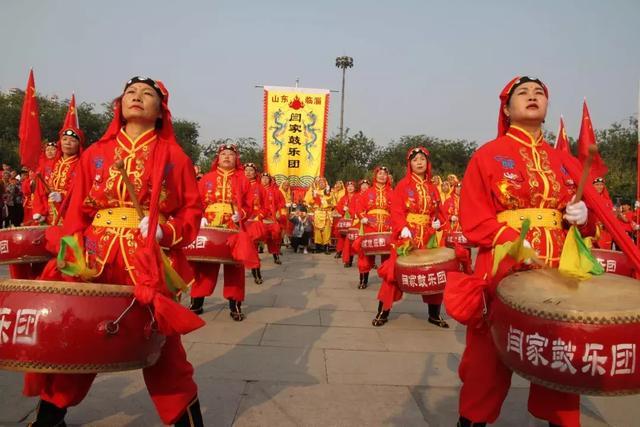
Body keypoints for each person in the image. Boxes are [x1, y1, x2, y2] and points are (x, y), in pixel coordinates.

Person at [23, 76, 205, 426]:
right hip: (95, 254)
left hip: (146, 258)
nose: (137, 97)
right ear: (119, 106)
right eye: (130, 93)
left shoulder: (174, 157)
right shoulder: (96, 154)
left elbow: (192, 212)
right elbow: (77, 213)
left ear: (160, 111)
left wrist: (166, 230)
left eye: (146, 94)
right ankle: (49, 418)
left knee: (163, 350)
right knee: (78, 338)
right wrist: (71, 255)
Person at [454, 76, 595, 427]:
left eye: (540, 93)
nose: (533, 97)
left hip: (558, 268)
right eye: (523, 93)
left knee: (560, 354)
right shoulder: (488, 155)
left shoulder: (566, 163)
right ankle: (473, 419)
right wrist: (513, 239)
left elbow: (588, 220)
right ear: (506, 108)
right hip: (505, 263)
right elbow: (473, 218)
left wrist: (583, 218)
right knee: (489, 357)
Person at [372, 148, 447, 328]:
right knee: (394, 273)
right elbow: (396, 210)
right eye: (415, 160)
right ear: (410, 164)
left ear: (427, 163)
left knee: (432, 272)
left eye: (422, 159)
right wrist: (403, 227)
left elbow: (439, 211)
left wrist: (439, 222)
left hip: (428, 235)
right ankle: (383, 311)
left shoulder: (432, 188)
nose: (419, 162)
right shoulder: (403, 185)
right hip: (408, 235)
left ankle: (434, 314)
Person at [189, 145, 254, 318]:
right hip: (209, 223)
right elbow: (196, 202)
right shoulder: (206, 179)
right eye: (223, 154)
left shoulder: (243, 180)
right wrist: (200, 217)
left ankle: (235, 304)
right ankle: (196, 301)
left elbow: (249, 205)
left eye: (231, 155)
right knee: (204, 264)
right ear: (218, 158)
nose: (227, 157)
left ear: (236, 159)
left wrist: (241, 214)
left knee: (235, 265)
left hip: (233, 225)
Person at [32, 127, 84, 225]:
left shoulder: (81, 165)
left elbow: (81, 191)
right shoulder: (51, 165)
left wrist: (63, 197)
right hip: (49, 215)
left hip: (70, 215)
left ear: (79, 145)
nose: (67, 143)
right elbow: (40, 190)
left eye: (73, 140)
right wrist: (39, 210)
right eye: (64, 139)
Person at [354, 167, 392, 289]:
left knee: (387, 254)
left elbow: (397, 209)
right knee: (365, 252)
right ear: (375, 176)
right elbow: (359, 206)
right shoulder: (368, 192)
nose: (382, 176)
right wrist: (362, 217)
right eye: (380, 174)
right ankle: (363, 279)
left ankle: (387, 279)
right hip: (370, 224)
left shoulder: (392, 192)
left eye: (384, 174)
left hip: (387, 225)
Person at [260, 172, 286, 264]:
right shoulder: (255, 190)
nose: (265, 180)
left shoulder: (275, 191)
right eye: (263, 178)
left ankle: (276, 256)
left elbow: (282, 203)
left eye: (267, 178)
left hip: (271, 218)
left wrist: (280, 212)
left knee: (274, 236)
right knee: (255, 237)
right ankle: (255, 254)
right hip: (258, 218)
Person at [304, 176, 335, 254]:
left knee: (326, 230)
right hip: (317, 213)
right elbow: (309, 203)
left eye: (323, 182)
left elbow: (333, 203)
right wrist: (313, 199)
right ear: (317, 184)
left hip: (326, 213)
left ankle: (326, 247)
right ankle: (318, 246)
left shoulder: (329, 192)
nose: (321, 184)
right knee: (317, 230)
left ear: (325, 183)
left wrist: (327, 199)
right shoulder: (315, 192)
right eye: (320, 182)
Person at [335, 180, 357, 262]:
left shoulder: (357, 197)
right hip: (345, 220)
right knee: (341, 236)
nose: (350, 188)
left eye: (352, 186)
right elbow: (338, 206)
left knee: (350, 238)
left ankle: (349, 256)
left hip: (354, 220)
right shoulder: (344, 198)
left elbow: (358, 209)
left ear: (354, 188)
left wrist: (350, 210)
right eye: (348, 186)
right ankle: (339, 251)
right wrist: (342, 209)